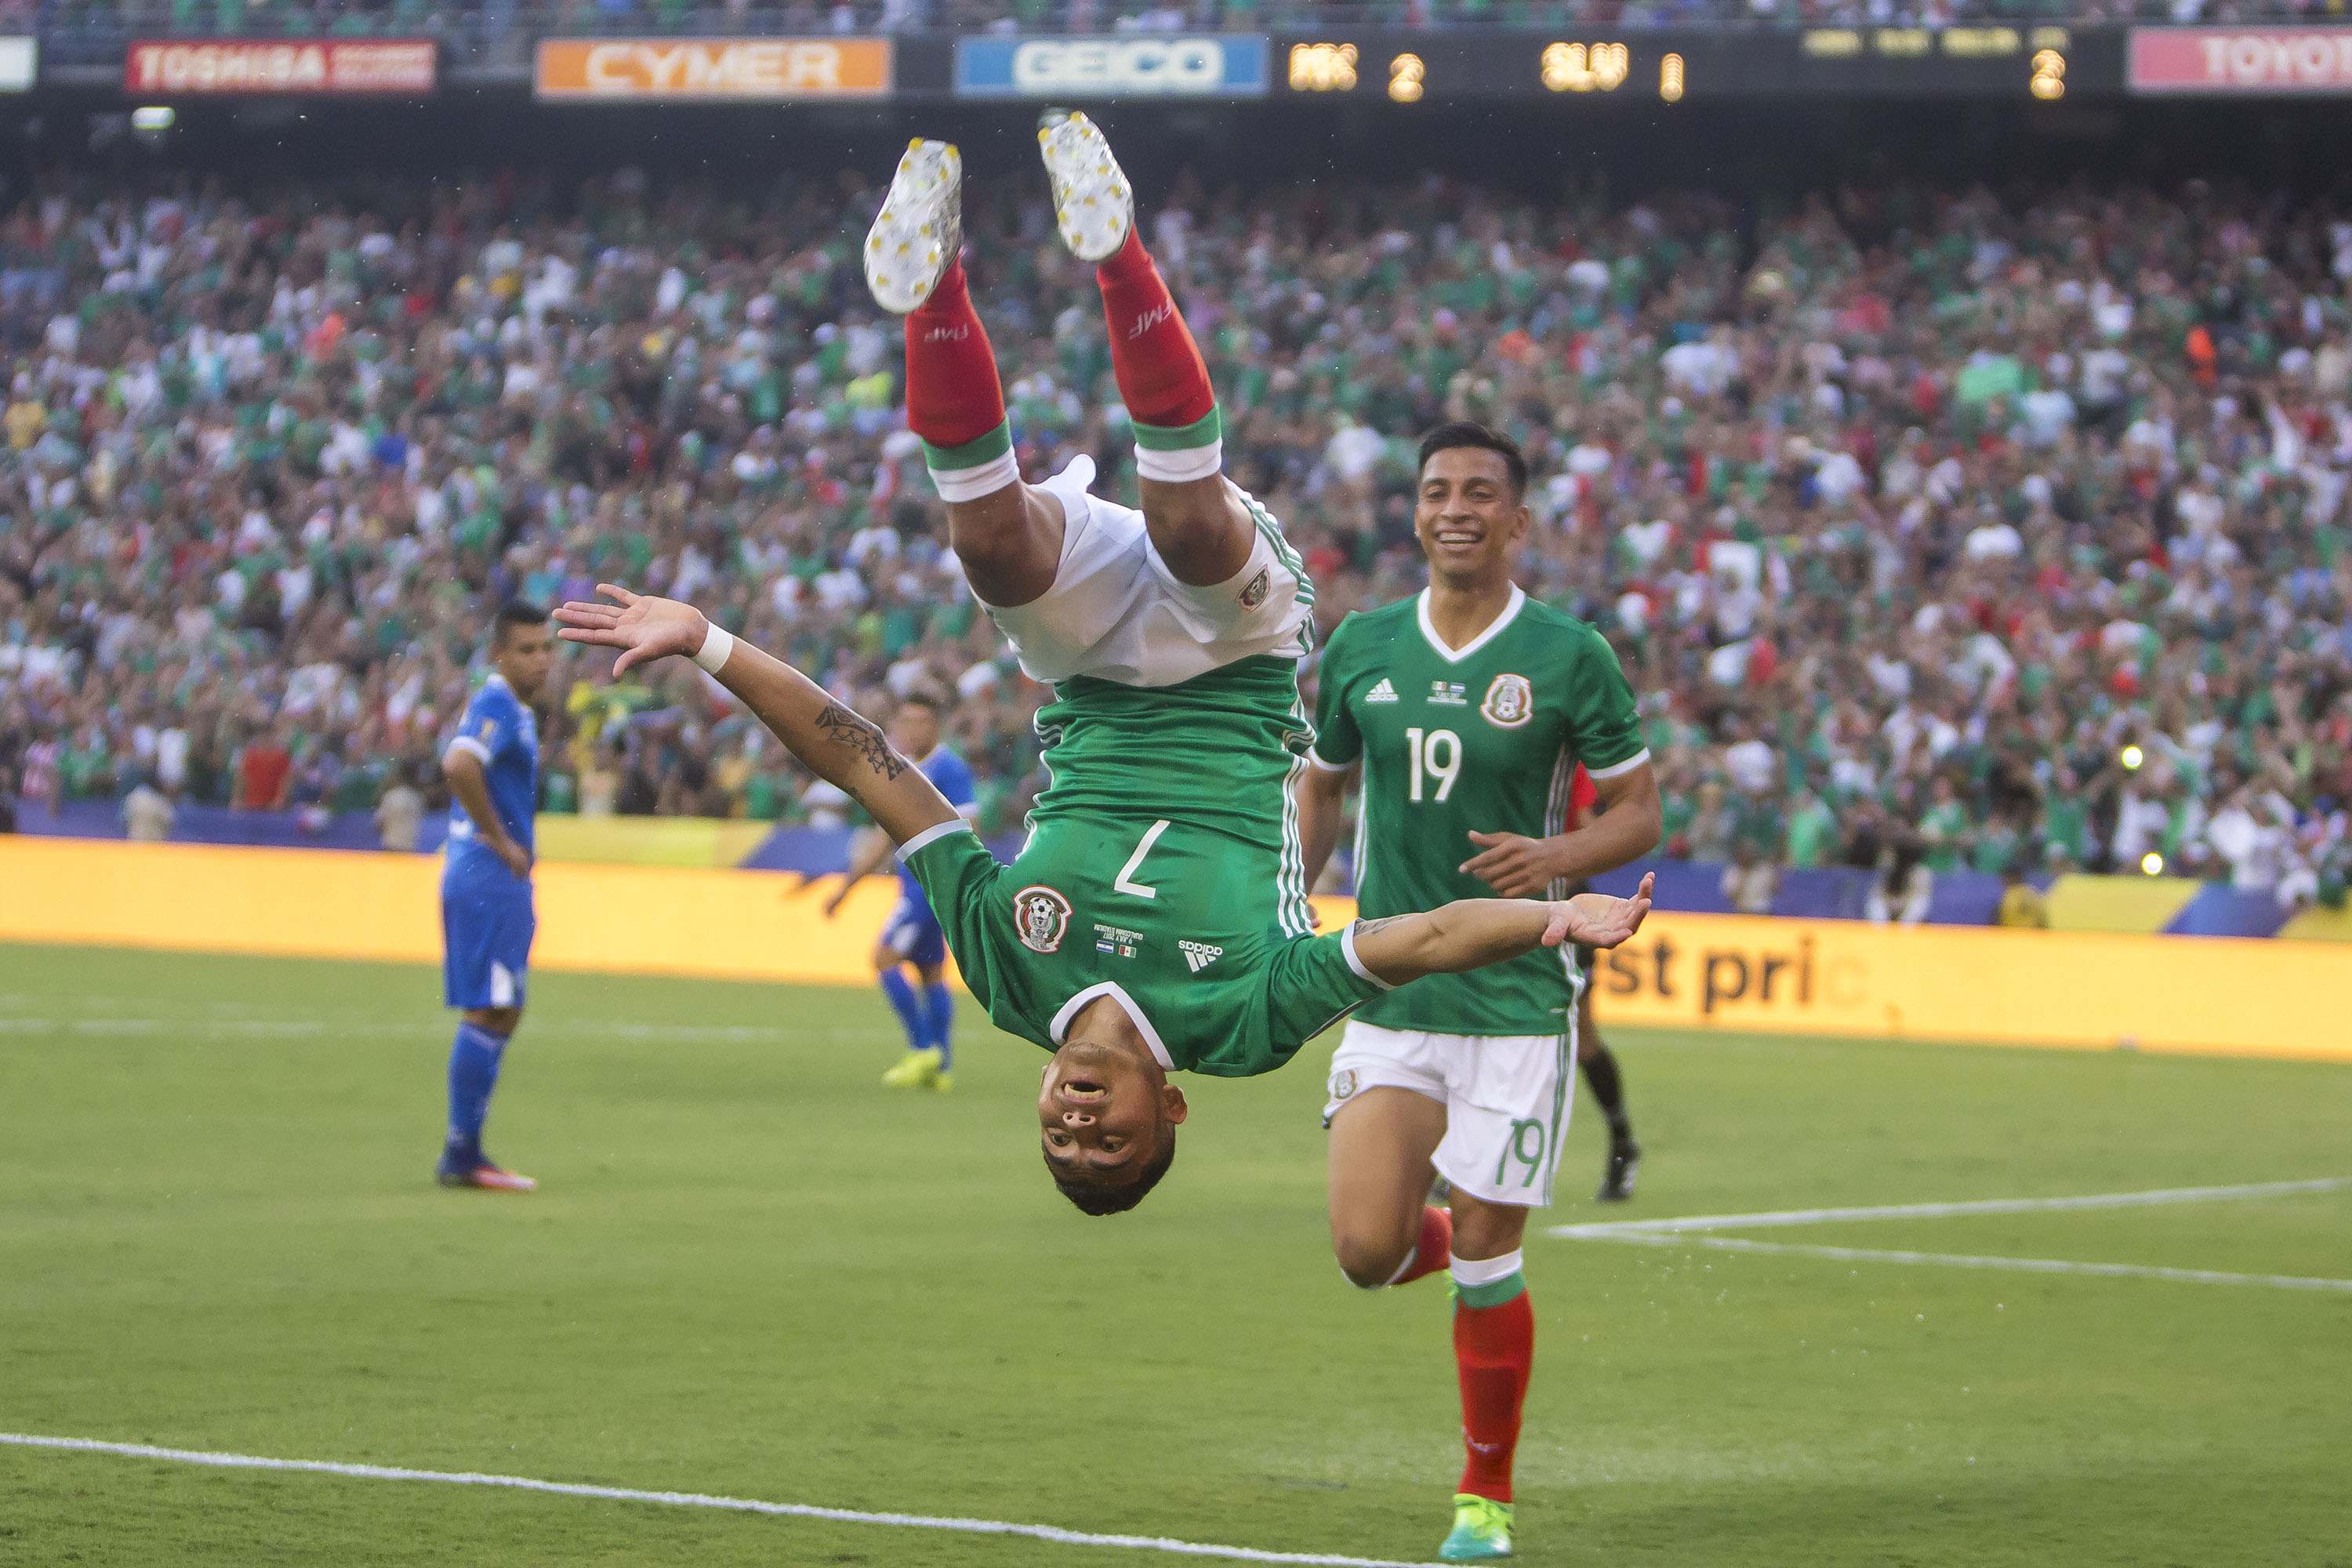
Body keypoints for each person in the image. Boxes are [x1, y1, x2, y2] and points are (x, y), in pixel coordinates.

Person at [557, 115, 1655, 1224]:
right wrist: (1554, 919)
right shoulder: (1242, 1025)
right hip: (1237, 657)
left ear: (1038, 1096)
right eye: (1110, 1140)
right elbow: (1422, 938)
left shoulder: (1008, 974)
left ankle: (934, 282)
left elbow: (873, 769)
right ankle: (1117, 248)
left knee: (989, 541)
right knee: (1188, 521)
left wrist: (711, 642)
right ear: (1170, 1107)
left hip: (1084, 667)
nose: (1079, 1121)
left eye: (1060, 1136)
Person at [1295, 421, 1662, 1564]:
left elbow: (1640, 812)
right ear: (1416, 512)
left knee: (1491, 1259)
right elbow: (1323, 785)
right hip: (1395, 984)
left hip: (1515, 1001)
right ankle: (1461, 1221)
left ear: (1518, 519)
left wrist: (1558, 860)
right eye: (1437, 490)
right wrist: (1288, 896)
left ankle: (1483, 1499)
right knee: (1366, 1249)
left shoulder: (1568, 654)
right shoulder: (1362, 645)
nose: (1455, 508)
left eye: (1480, 492)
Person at [435, 601, 554, 1192]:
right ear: (499, 655)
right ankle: (462, 1154)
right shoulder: (498, 704)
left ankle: (465, 1150)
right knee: (491, 1008)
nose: (541, 661)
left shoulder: (516, 711)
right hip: (487, 878)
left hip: (489, 878)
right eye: (527, 650)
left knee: (503, 1008)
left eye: (547, 649)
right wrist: (501, 839)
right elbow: (459, 764)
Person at [821, 690, 977, 1091]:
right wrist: (846, 888)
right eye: (904, 720)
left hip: (926, 890)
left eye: (918, 721)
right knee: (930, 972)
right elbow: (882, 838)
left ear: (935, 726)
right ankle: (941, 1068)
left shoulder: (949, 769)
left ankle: (922, 1049)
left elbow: (970, 829)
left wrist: (951, 882)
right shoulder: (900, 767)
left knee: (884, 958)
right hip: (915, 887)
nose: (909, 729)